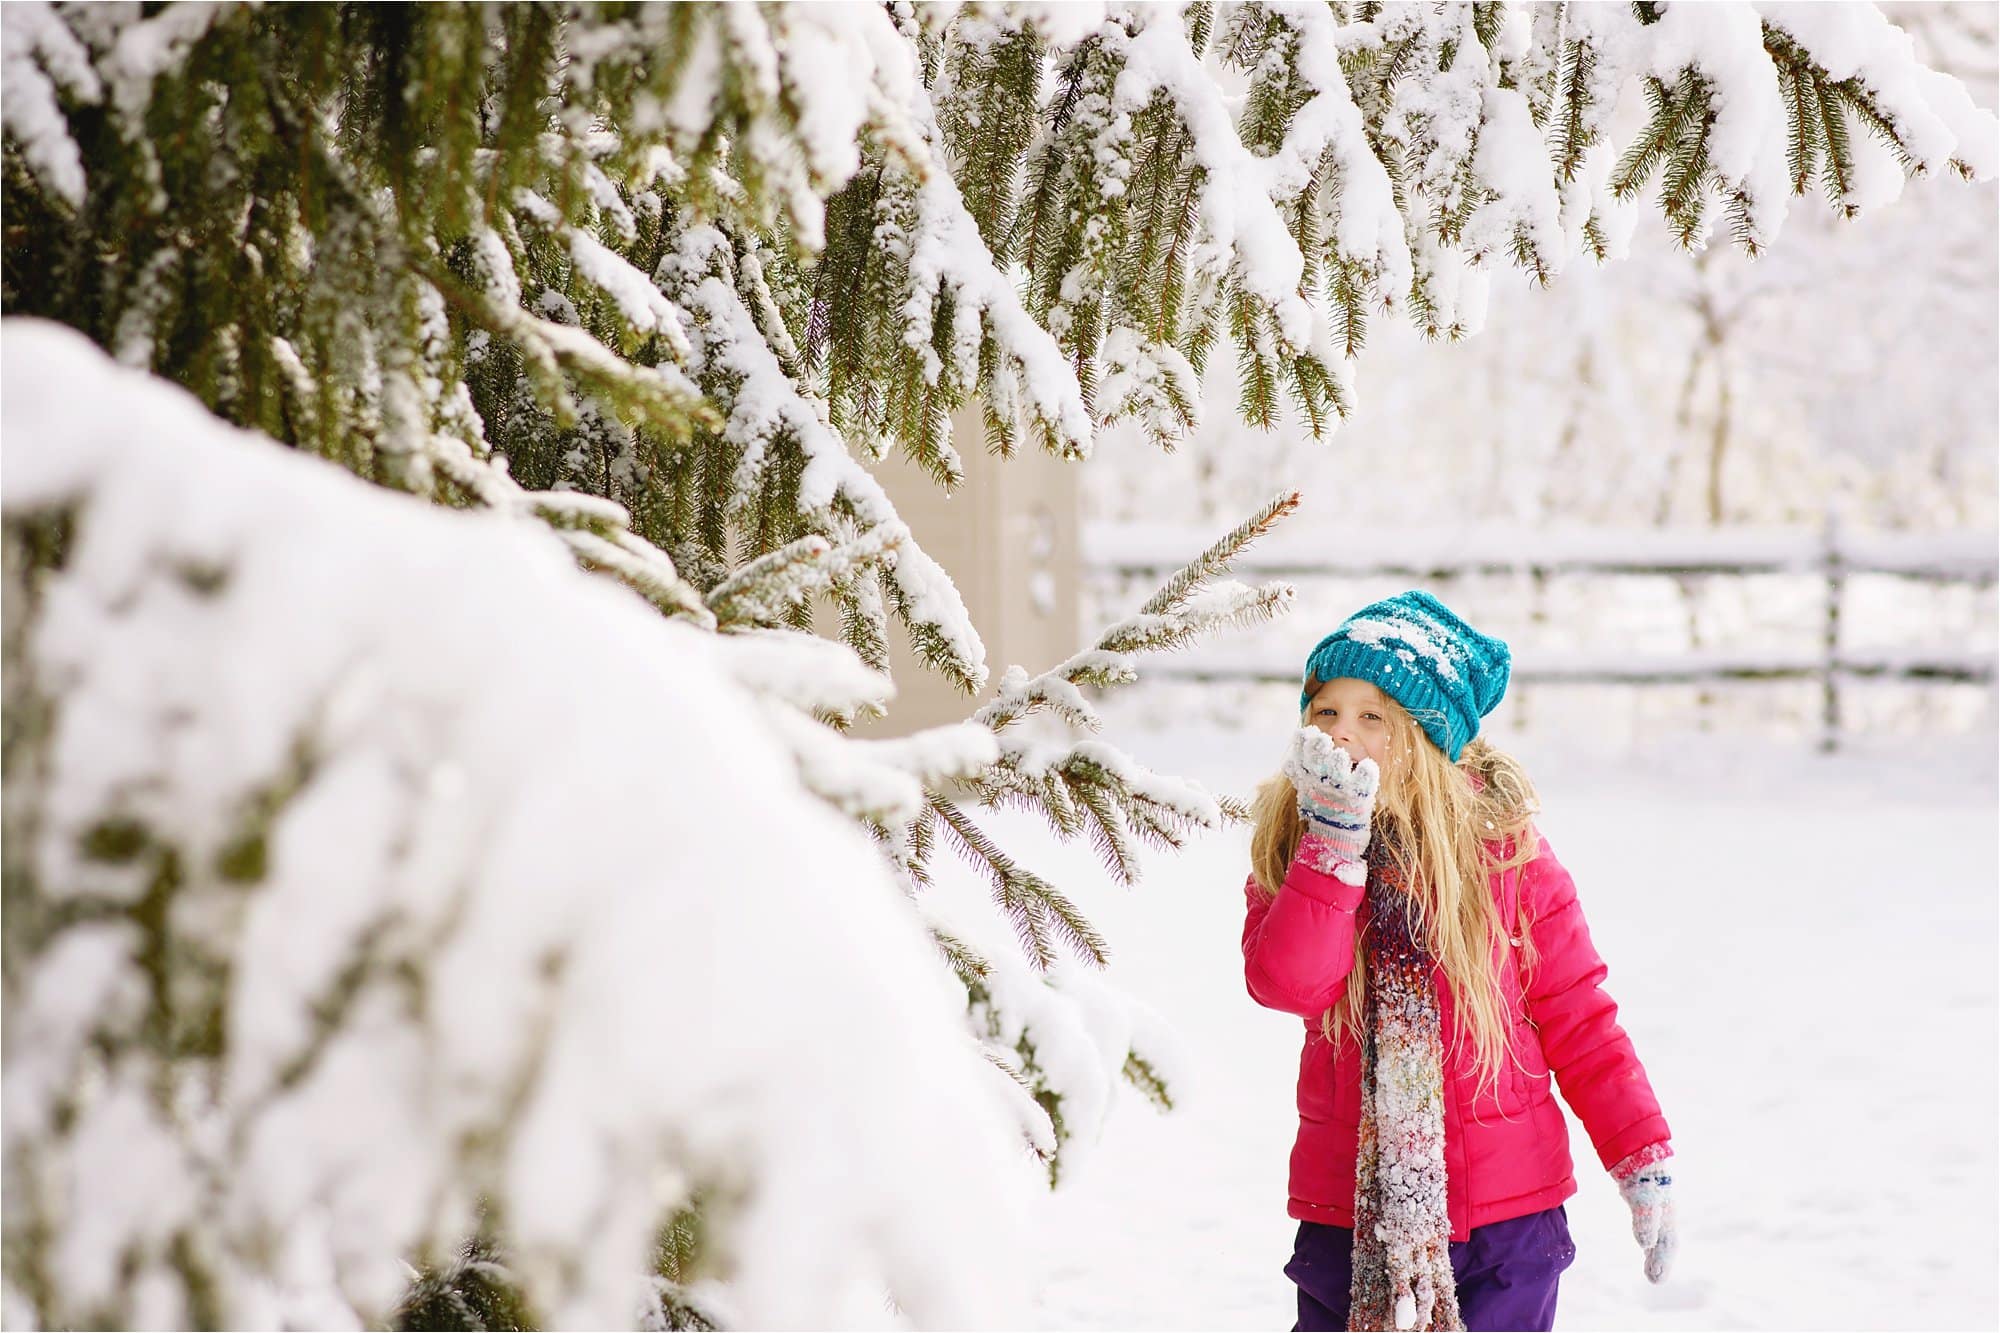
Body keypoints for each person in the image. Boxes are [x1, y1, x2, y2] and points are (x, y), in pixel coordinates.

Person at [1240, 591, 1675, 1332]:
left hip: (1510, 1217)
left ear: (1427, 737)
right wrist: (1332, 849)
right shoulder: (1296, 847)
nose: (1343, 733)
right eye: (1325, 711)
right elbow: (1289, 982)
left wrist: (1638, 1148)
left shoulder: (1508, 858)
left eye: (1372, 716)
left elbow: (1579, 1014)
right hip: (1350, 1216)